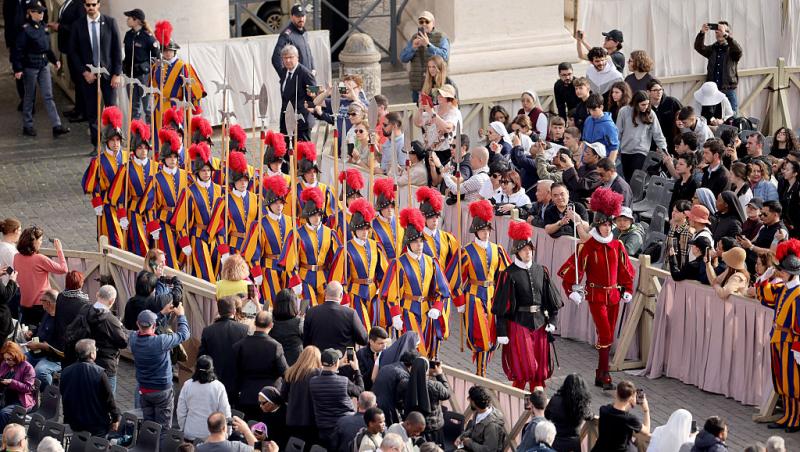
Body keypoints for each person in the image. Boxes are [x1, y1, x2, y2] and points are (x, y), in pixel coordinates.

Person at [559, 188, 635, 390]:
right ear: (597, 225)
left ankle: (599, 375)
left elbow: (625, 269)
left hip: (614, 295)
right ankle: (605, 374)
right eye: (604, 225)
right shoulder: (588, 246)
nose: (607, 228)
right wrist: (571, 290)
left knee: (608, 335)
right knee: (605, 334)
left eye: (610, 225)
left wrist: (627, 288)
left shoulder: (618, 245)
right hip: (596, 295)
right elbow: (573, 269)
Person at [494, 221, 562, 390]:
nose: (528, 252)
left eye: (530, 249)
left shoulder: (541, 271)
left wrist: (552, 321)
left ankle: (538, 405)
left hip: (540, 325)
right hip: (519, 325)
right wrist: (501, 331)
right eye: (524, 249)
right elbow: (501, 308)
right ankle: (517, 401)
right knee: (523, 368)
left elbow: (552, 300)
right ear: (517, 251)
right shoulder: (508, 274)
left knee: (540, 371)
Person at [454, 200, 509, 376]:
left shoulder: (497, 250)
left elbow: (506, 275)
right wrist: (460, 301)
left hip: (493, 297)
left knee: (492, 337)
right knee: (481, 336)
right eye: (482, 230)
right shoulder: (466, 251)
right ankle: (481, 373)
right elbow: (456, 280)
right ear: (475, 231)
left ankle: (482, 369)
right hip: (474, 298)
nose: (485, 234)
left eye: (487, 230)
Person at [67, 0, 122, 146]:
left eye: (93, 4)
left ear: (98, 5)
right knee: (92, 110)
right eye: (88, 5)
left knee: (111, 109)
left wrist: (117, 73)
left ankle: (115, 142)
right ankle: (96, 144)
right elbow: (73, 52)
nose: (91, 7)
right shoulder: (77, 25)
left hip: (108, 74)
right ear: (84, 6)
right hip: (89, 76)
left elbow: (116, 49)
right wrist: (84, 72)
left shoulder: (110, 22)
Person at [329, 197, 389, 329]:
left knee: (375, 328)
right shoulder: (345, 249)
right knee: (363, 328)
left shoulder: (376, 246)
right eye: (361, 229)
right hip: (355, 293)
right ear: (354, 230)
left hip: (373, 293)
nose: (365, 232)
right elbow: (338, 278)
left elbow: (384, 272)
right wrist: (343, 298)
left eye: (367, 229)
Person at [12, 1, 69, 138]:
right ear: (30, 12)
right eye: (38, 12)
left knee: (48, 96)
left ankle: (56, 125)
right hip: (30, 66)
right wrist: (18, 68)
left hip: (43, 65)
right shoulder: (25, 30)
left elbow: (47, 47)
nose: (42, 14)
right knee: (29, 97)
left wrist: (55, 60)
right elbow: (17, 51)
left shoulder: (43, 27)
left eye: (43, 11)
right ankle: (28, 125)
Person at [129, 307, 190, 434]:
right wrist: (181, 316)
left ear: (137, 324)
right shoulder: (161, 341)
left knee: (149, 427)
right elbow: (184, 334)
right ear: (154, 325)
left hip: (144, 390)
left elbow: (146, 327)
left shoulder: (133, 339)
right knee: (163, 430)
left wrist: (161, 313)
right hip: (162, 391)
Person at [171, 142, 224, 282]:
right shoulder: (190, 192)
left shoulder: (219, 190)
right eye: (203, 171)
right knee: (204, 276)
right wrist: (184, 241)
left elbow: (222, 219)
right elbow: (181, 219)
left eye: (208, 170)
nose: (207, 173)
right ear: (197, 172)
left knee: (215, 271)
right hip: (198, 237)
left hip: (215, 239)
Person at [232, 311, 288, 419]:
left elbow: (234, 372)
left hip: (246, 396)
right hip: (268, 398)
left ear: (254, 323)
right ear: (271, 325)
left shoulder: (239, 346)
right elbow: (285, 372)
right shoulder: (275, 346)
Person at [59, 339, 119, 436]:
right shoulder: (99, 373)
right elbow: (109, 399)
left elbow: (64, 394)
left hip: (74, 424)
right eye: (95, 349)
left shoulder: (66, 371)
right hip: (96, 425)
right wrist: (115, 419)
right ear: (91, 354)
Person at [309, 348, 365, 449]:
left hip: (324, 429)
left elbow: (321, 371)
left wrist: (337, 364)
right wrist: (357, 370)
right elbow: (360, 391)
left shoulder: (313, 381)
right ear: (335, 364)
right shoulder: (344, 381)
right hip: (344, 428)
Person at [199, 297, 249, 405]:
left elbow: (202, 356)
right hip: (236, 381)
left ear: (219, 311)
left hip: (213, 379)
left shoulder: (208, 331)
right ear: (234, 311)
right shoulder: (244, 329)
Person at [13, 226, 67, 326]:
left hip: (24, 303)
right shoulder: (39, 259)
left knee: (28, 335)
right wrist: (59, 250)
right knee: (42, 335)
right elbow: (64, 269)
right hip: (41, 304)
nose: (41, 242)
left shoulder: (16, 257)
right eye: (40, 240)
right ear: (34, 241)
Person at [177, 355, 230, 442]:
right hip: (211, 436)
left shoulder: (187, 385)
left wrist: (183, 428)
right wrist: (227, 433)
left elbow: (181, 411)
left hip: (190, 434)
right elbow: (225, 412)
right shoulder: (219, 387)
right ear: (212, 369)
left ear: (196, 368)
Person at [303, 281, 368, 352]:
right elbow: (363, 339)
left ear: (325, 293)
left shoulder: (311, 312)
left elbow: (306, 342)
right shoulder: (350, 314)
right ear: (341, 295)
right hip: (343, 360)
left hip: (318, 359)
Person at [616, 90, 668, 180]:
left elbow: (658, 134)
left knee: (634, 177)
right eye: (643, 105)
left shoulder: (651, 113)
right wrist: (616, 149)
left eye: (647, 104)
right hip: (625, 151)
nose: (646, 107)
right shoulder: (623, 111)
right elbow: (618, 132)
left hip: (641, 151)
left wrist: (664, 150)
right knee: (627, 177)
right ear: (636, 104)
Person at [400, 11, 449, 103]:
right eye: (421, 22)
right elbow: (403, 58)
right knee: (419, 112)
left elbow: (444, 56)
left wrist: (428, 45)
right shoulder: (415, 37)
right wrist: (413, 48)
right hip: (418, 84)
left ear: (433, 23)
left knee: (434, 111)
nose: (424, 24)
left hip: (435, 84)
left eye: (427, 22)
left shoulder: (441, 37)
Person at [397, 358, 450, 444]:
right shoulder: (435, 385)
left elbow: (399, 402)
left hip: (413, 426)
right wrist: (439, 374)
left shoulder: (404, 383)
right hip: (433, 427)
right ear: (427, 370)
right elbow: (447, 393)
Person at [86, 285, 128, 394]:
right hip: (106, 364)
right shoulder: (111, 320)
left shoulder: (85, 310)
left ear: (97, 294)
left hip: (87, 360)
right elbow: (123, 342)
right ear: (112, 301)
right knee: (107, 401)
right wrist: (121, 327)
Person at [694, 22, 742, 113]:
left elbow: (738, 50)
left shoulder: (732, 50)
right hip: (713, 92)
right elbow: (699, 47)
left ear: (728, 33)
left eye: (721, 31)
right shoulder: (713, 49)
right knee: (714, 119)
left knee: (732, 118)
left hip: (728, 90)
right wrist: (702, 33)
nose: (718, 33)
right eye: (717, 31)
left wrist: (726, 36)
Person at [592, 380, 650, 452]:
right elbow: (647, 431)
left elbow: (614, 407)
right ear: (631, 398)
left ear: (616, 393)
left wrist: (629, 399)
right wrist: (646, 410)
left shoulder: (603, 410)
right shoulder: (630, 419)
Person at [281, 346, 323, 446]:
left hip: (293, 419)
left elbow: (283, 396)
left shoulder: (291, 372)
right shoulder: (318, 374)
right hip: (311, 420)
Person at [122, 8, 158, 122]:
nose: (127, 20)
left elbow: (156, 56)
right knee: (134, 108)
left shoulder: (148, 37)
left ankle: (150, 136)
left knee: (147, 108)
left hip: (143, 76)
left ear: (136, 20)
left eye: (129, 18)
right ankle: (136, 136)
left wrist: (146, 67)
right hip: (130, 75)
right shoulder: (128, 35)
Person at [278, 44, 316, 142]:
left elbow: (315, 97)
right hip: (286, 120)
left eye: (291, 57)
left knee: (303, 153)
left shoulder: (306, 73)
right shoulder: (284, 72)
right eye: (285, 58)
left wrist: (309, 113)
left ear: (297, 57)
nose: (287, 60)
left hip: (301, 121)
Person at [414, 84, 462, 160]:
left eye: (442, 94)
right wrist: (420, 109)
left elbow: (447, 128)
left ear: (448, 98)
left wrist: (432, 113)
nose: (439, 96)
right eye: (439, 94)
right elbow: (418, 123)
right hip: (430, 152)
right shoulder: (434, 109)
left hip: (448, 153)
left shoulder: (454, 112)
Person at [373, 350, 418, 426]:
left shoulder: (386, 367)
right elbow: (400, 400)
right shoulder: (404, 376)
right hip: (388, 412)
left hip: (375, 406)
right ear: (412, 365)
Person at [455, 385, 505, 452]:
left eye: (469, 399)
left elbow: (489, 450)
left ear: (474, 402)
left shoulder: (491, 426)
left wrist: (469, 443)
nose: (469, 401)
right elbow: (473, 429)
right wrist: (461, 437)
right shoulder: (479, 412)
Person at [270, 4, 314, 76]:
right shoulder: (287, 35)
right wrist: (285, 76)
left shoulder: (304, 33)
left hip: (308, 78)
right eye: (298, 16)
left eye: (303, 16)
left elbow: (308, 53)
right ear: (292, 17)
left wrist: (313, 68)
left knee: (323, 87)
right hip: (297, 80)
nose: (301, 19)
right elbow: (276, 58)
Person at [0, 342, 34, 432]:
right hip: (5, 396)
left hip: (20, 400)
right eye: (5, 359)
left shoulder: (27, 367)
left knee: (4, 413)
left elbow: (28, 388)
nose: (7, 362)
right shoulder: (5, 364)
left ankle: (2, 437)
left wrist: (12, 382)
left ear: (16, 356)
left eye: (9, 359)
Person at [561, 141, 605, 207]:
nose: (584, 154)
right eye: (585, 151)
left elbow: (580, 186)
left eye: (587, 153)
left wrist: (570, 167)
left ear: (596, 157)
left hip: (583, 207)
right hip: (571, 202)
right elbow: (570, 184)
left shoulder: (597, 174)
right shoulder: (583, 168)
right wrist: (566, 168)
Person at [269, 289, 304, 366]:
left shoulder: (270, 322)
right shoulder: (299, 323)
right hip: (295, 366)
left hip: (275, 365)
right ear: (293, 304)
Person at [648, 80, 683, 154]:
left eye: (660, 89)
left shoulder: (672, 102)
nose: (659, 92)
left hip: (673, 140)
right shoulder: (646, 106)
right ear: (648, 92)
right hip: (654, 143)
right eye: (655, 90)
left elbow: (684, 116)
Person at [667, 200, 694, 271]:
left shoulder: (689, 232)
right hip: (670, 266)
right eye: (673, 211)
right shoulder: (673, 227)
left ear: (685, 214)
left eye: (677, 212)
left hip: (682, 269)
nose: (673, 213)